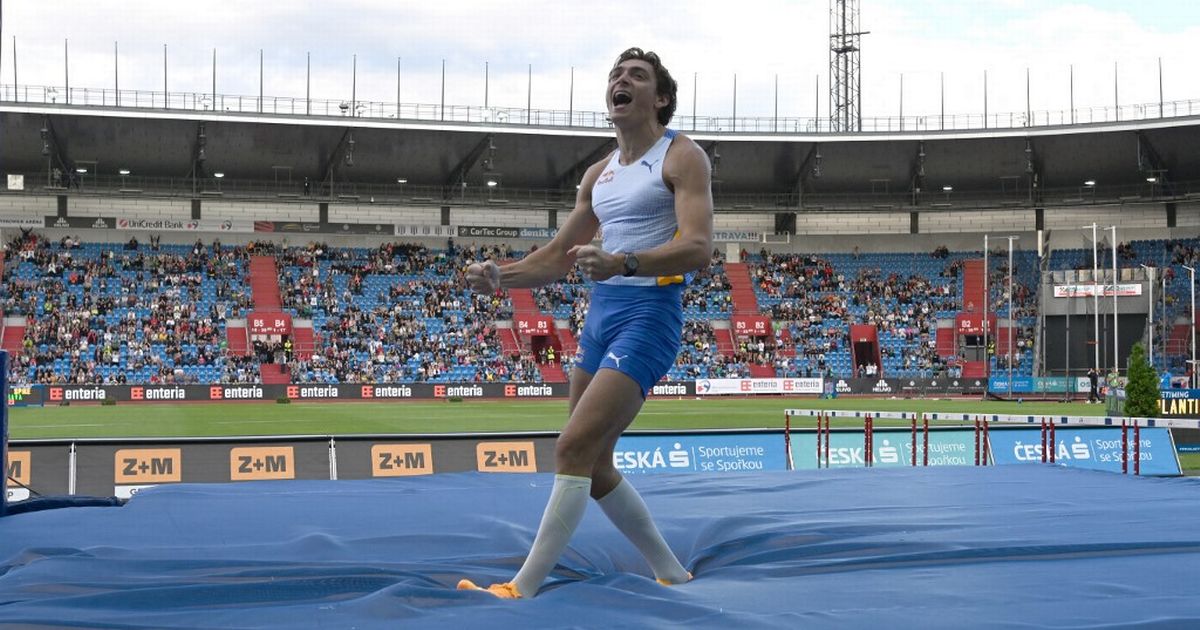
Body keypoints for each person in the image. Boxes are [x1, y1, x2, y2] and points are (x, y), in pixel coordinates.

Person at [457, 47, 713, 599]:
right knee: (594, 465)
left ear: (660, 98)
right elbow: (557, 255)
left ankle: (521, 587)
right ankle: (671, 571)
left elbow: (697, 247)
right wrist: (499, 275)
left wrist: (625, 262)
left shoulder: (681, 156)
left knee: (572, 446)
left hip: (648, 316)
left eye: (636, 77)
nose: (621, 81)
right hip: (600, 317)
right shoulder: (600, 173)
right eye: (616, 75)